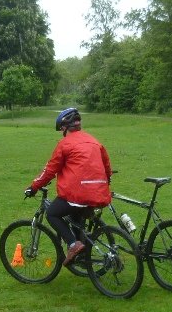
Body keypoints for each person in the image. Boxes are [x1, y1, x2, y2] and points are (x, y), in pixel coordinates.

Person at [25, 108, 112, 266]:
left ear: (65, 127)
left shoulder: (64, 144)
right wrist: (105, 181)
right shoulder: (94, 140)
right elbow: (107, 166)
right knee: (75, 215)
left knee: (52, 213)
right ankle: (82, 252)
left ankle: (73, 244)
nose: (61, 132)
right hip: (99, 192)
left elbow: (50, 170)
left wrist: (34, 187)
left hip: (78, 193)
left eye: (61, 129)